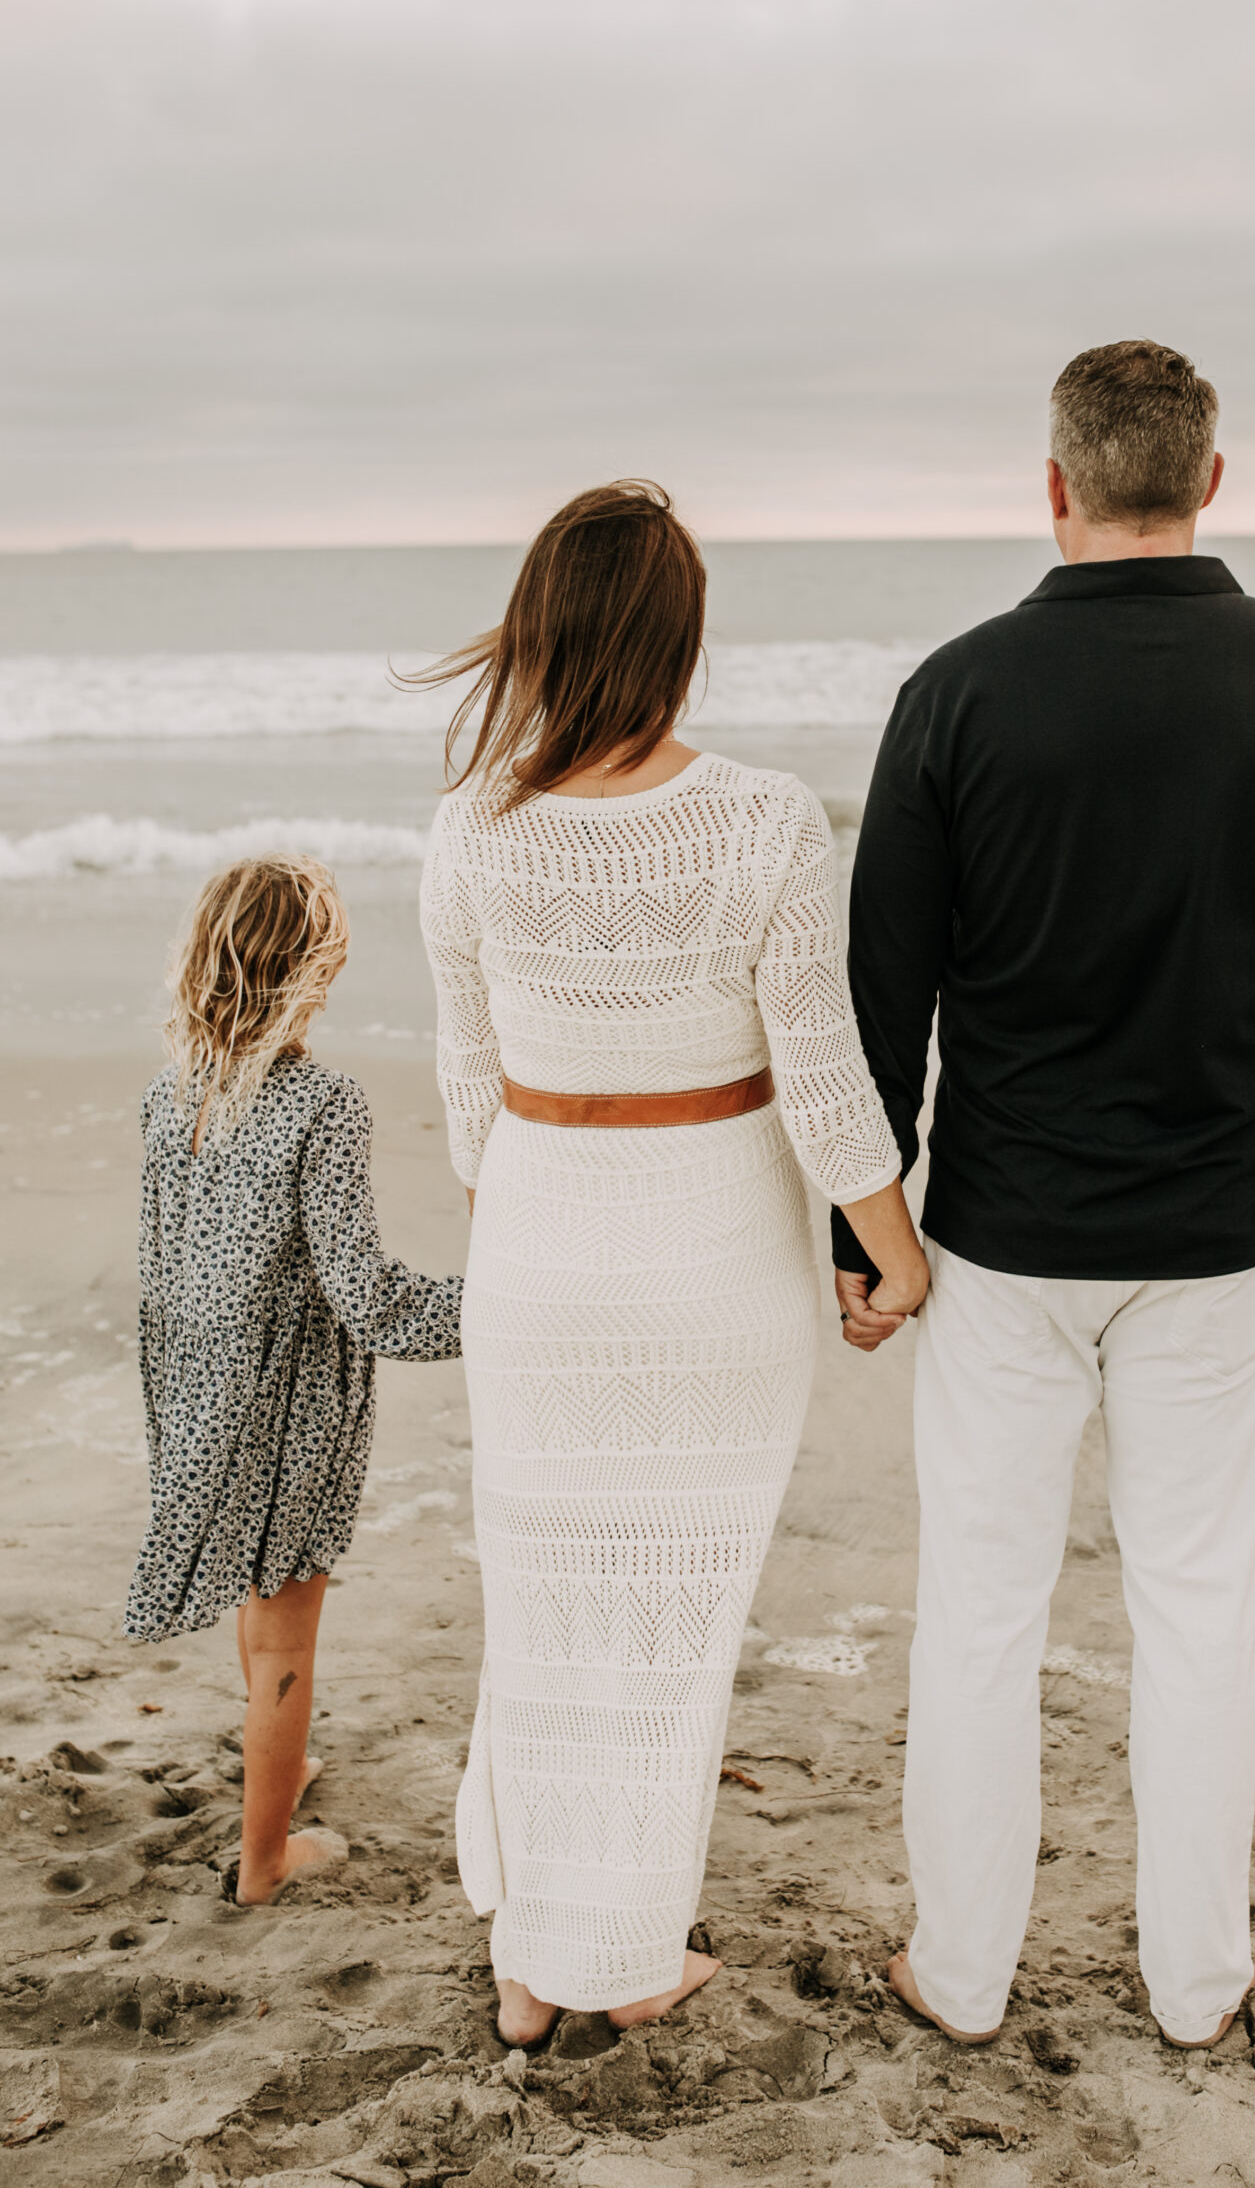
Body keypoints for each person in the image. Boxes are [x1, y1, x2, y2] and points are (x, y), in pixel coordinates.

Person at [832, 339, 1255, 2051]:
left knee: (980, 1609)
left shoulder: (955, 691)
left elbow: (878, 990)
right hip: (1210, 1248)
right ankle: (1193, 1985)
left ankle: (958, 1976)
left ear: (1054, 485)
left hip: (995, 1249)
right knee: (1193, 1610)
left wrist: (857, 1232)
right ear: (1211, 483)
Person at [415, 480, 927, 2049]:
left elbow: (466, 1109)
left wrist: (561, 1217)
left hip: (540, 1253)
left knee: (552, 1609)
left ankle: (535, 1957)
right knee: (673, 1619)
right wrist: (889, 1255)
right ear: (683, 639)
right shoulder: (766, 815)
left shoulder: (467, 829)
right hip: (713, 1263)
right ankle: (619, 1951)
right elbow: (821, 1069)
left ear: (544, 633)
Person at [125, 855, 464, 1906]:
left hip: (189, 1382)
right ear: (312, 970)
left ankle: (279, 1767)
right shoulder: (323, 1101)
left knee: (252, 1593)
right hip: (286, 1396)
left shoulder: (168, 1091)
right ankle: (265, 1860)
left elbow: (166, 1259)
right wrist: (501, 1303)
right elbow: (368, 1298)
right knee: (285, 1629)